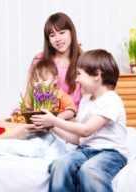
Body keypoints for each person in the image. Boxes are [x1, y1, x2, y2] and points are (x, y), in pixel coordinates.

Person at [31, 49, 128, 192]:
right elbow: (78, 139)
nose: (76, 79)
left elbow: (86, 130)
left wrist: (55, 120)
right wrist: (51, 125)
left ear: (96, 74)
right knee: (60, 165)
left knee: (89, 171)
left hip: (110, 153)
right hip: (84, 150)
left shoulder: (111, 100)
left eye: (79, 74)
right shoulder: (85, 101)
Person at [25, 12, 82, 109]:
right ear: (48, 41)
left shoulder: (82, 61)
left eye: (62, 33)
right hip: (43, 115)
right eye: (52, 35)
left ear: (71, 33)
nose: (58, 39)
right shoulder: (39, 60)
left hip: (73, 117)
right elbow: (29, 94)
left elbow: (87, 101)